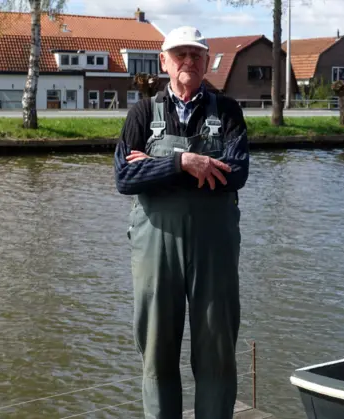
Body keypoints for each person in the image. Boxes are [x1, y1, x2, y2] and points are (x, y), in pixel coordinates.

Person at [113, 25, 249, 419]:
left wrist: (154, 168)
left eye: (195, 55)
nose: (187, 62)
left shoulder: (227, 112)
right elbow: (124, 178)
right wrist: (184, 162)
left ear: (207, 63)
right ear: (164, 63)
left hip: (214, 247)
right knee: (157, 348)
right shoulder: (141, 114)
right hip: (155, 245)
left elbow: (235, 173)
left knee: (216, 346)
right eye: (179, 55)